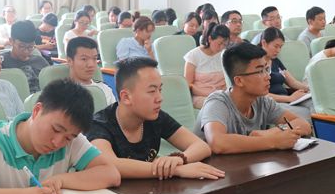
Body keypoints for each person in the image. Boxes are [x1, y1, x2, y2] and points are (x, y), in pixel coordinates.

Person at [86, 57, 224, 180]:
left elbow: (201, 146)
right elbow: (110, 164)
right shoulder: (98, 124)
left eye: (160, 90)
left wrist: (179, 159)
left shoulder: (154, 117)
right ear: (126, 97)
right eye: (152, 91)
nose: (160, 98)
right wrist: (175, 170)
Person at [195, 42, 312, 154]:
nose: (268, 77)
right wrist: (274, 141)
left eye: (267, 69)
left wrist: (271, 132)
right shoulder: (217, 103)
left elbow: (303, 124)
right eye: (260, 71)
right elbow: (217, 143)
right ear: (239, 81)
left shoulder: (262, 102)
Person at [258, 27, 310, 105]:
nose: (278, 50)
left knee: (312, 102)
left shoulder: (275, 61)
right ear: (264, 43)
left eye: (280, 47)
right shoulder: (255, 64)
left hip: (287, 99)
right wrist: (290, 98)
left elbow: (293, 82)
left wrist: (310, 89)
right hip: (272, 103)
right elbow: (259, 95)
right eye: (276, 46)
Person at [184, 23, 229, 109]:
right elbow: (188, 84)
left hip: (223, 94)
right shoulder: (193, 56)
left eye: (224, 44)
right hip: (201, 96)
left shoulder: (224, 54)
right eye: (219, 44)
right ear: (210, 39)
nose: (221, 47)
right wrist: (212, 94)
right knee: (217, 105)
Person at [1, 20, 48, 93]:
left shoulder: (40, 62)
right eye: (22, 46)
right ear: (11, 41)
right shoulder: (1, 62)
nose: (26, 51)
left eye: (30, 47)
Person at [66, 37, 116, 105]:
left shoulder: (105, 89)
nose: (91, 65)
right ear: (70, 61)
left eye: (94, 58)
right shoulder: (61, 93)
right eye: (84, 59)